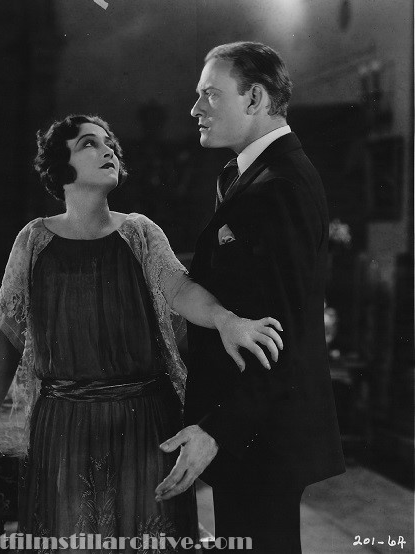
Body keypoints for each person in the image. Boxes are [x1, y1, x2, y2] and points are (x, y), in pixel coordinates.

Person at [0, 114, 284, 547]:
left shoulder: (139, 232)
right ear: (61, 166)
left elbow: (181, 290)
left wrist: (226, 319)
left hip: (145, 423)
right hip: (64, 425)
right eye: (89, 144)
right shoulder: (34, 241)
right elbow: (8, 336)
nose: (108, 150)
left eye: (109, 143)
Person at [156, 42, 345, 553]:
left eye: (210, 95)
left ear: (256, 97)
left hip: (262, 434)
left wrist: (216, 430)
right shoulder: (250, 174)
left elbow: (278, 334)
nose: (195, 109)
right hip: (255, 431)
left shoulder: (280, 185)